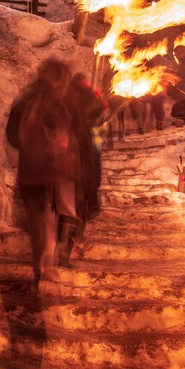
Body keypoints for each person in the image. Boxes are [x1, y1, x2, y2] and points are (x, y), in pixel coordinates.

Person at [6, 59, 81, 286]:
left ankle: (43, 261)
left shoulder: (29, 98)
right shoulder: (58, 102)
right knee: (44, 215)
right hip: (48, 169)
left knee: (38, 214)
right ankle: (46, 261)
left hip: (34, 168)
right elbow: (69, 136)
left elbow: (13, 136)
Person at [64, 73, 106, 264]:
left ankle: (70, 235)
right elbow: (98, 117)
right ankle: (73, 233)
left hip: (77, 148)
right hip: (83, 147)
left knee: (75, 191)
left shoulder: (68, 95)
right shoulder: (84, 96)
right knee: (82, 187)